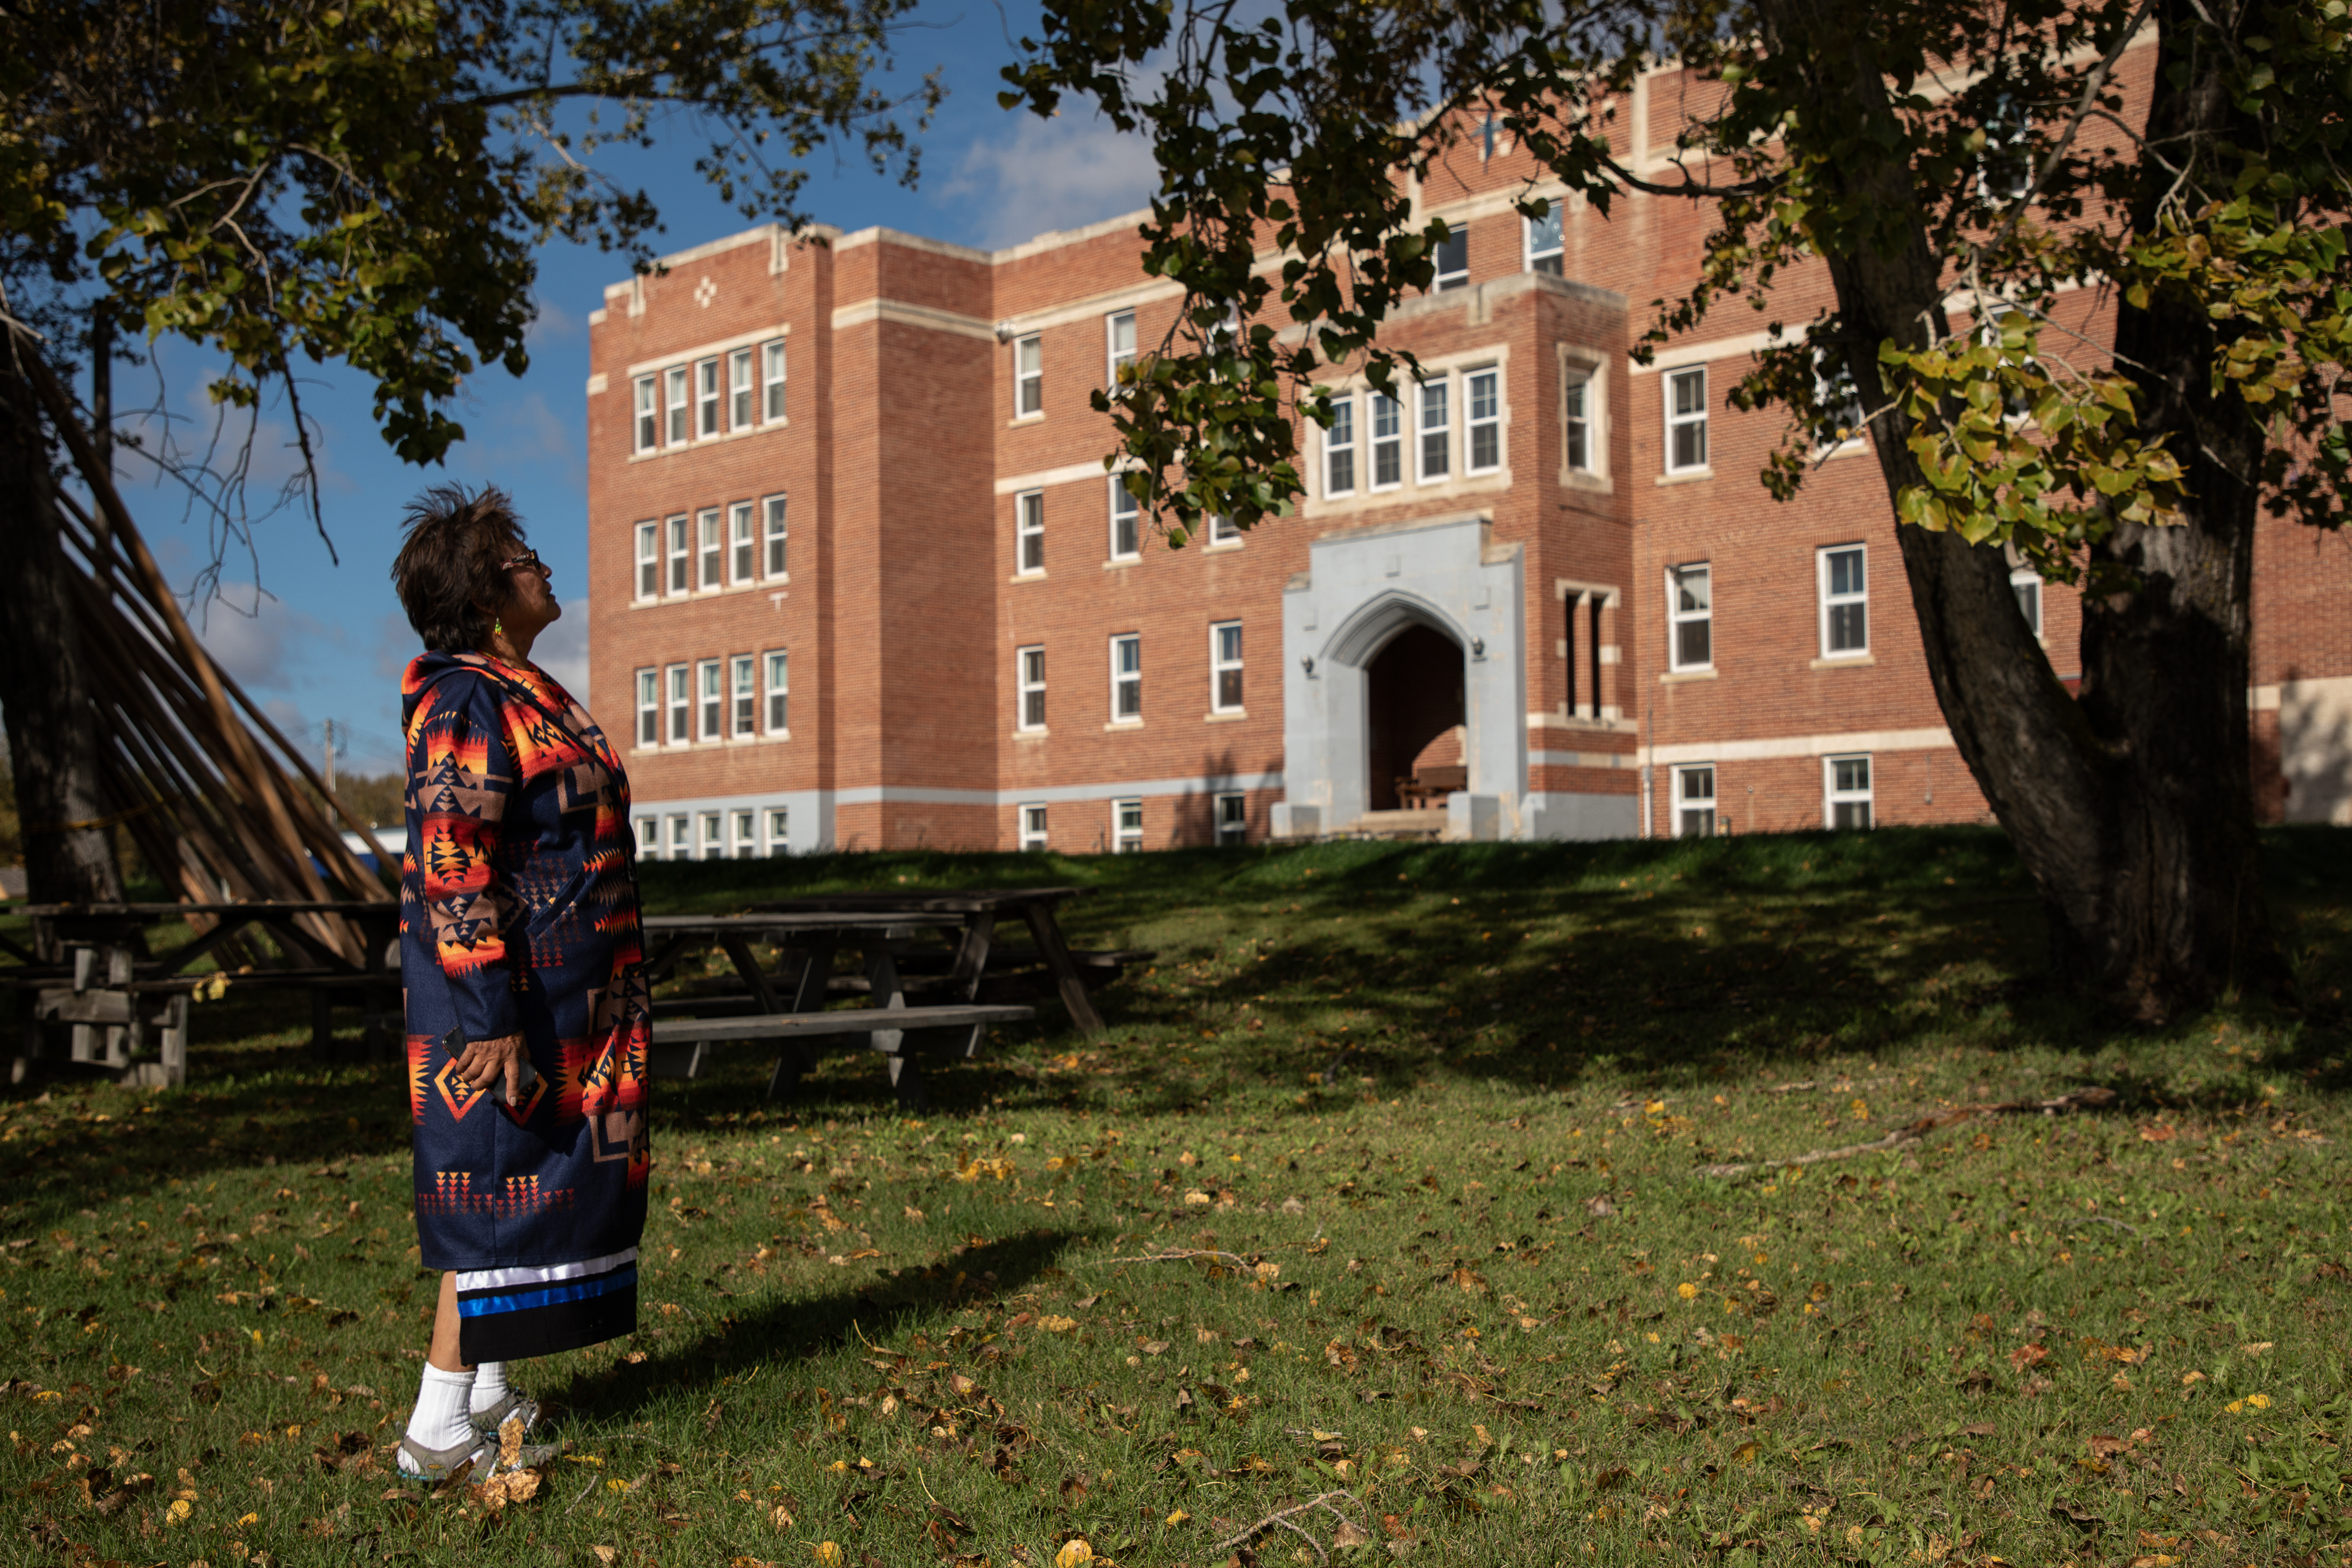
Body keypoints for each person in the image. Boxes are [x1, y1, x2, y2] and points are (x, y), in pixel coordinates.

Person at [387, 484, 653, 1482]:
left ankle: (490, 1396)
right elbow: (449, 863)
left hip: (578, 1002)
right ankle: (436, 1433)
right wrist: (489, 1015)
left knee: (535, 1190)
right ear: (489, 591)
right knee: (491, 1199)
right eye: (525, 557)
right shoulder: (464, 699)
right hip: (508, 1002)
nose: (546, 569)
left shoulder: (527, 691)